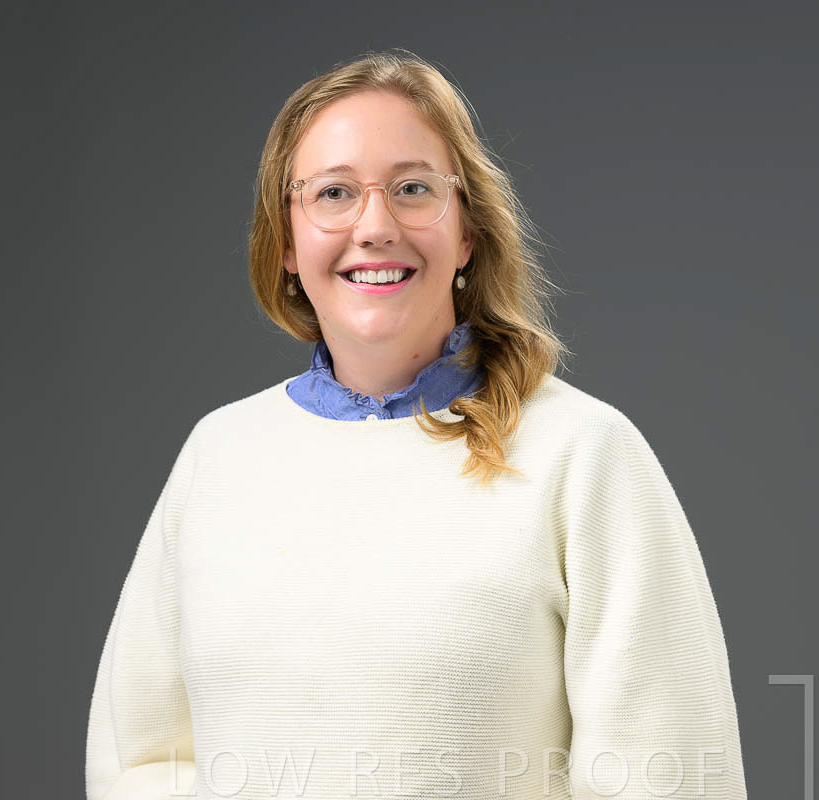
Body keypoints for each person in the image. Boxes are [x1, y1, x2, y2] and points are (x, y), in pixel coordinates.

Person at [85, 49, 748, 800]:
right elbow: (137, 761)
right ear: (287, 244)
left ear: (466, 232)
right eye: (334, 193)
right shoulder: (218, 455)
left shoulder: (584, 455)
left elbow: (671, 773)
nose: (374, 226)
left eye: (412, 189)